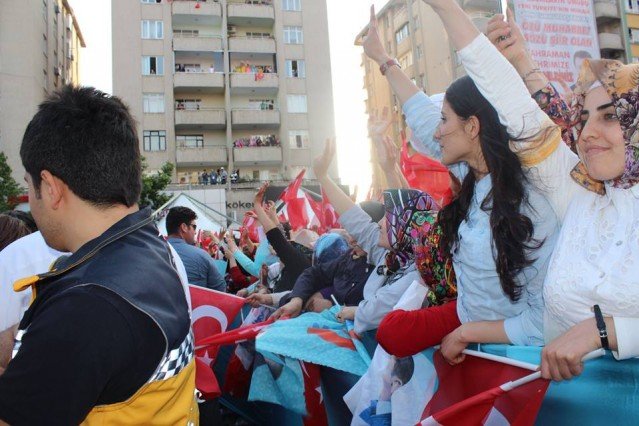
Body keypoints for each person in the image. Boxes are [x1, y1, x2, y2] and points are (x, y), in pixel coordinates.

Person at [361, 2, 560, 362]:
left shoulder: (531, 201)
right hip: (469, 318)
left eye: (444, 120)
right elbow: (420, 116)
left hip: (512, 352)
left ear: (472, 127)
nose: (436, 132)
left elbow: (542, 321)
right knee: (392, 332)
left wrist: (467, 333)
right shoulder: (473, 175)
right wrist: (383, 59)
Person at [0, 86, 197, 425]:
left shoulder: (87, 305)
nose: (30, 202)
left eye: (29, 186)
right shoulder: (150, 249)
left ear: (50, 188)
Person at [485, 10, 639, 380]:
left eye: (610, 116)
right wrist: (519, 60)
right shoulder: (583, 197)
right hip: (572, 402)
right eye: (583, 119)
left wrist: (608, 332)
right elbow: (542, 123)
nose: (586, 133)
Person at [166, 206, 226, 292]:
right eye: (194, 227)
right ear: (184, 227)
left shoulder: (153, 253)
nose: (195, 232)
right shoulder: (201, 255)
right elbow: (220, 290)